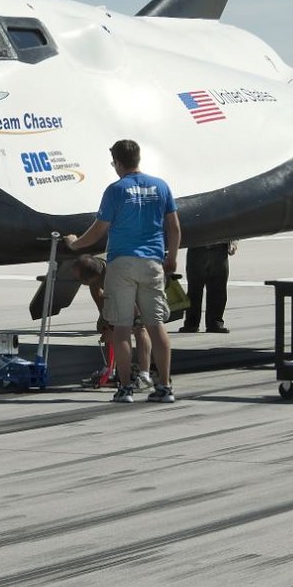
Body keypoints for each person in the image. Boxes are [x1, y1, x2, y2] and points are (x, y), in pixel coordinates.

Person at [64, 139, 180, 403]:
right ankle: (164, 386)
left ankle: (125, 388)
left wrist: (75, 244)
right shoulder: (161, 186)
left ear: (116, 163)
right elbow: (173, 227)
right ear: (139, 158)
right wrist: (171, 258)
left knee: (122, 329)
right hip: (152, 262)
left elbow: (98, 229)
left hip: (121, 264)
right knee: (155, 326)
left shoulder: (116, 190)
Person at [73, 253, 152, 388]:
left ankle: (144, 375)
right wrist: (105, 319)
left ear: (91, 277)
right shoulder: (95, 269)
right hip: (122, 291)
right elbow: (98, 294)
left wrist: (114, 325)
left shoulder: (116, 277)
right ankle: (110, 371)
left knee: (139, 326)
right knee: (108, 327)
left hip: (142, 289)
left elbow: (134, 308)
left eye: (81, 280)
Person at [179, 241, 238, 333]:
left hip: (219, 249)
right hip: (197, 248)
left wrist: (233, 242)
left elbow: (233, 227)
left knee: (218, 288)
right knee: (194, 289)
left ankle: (215, 323)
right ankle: (191, 323)